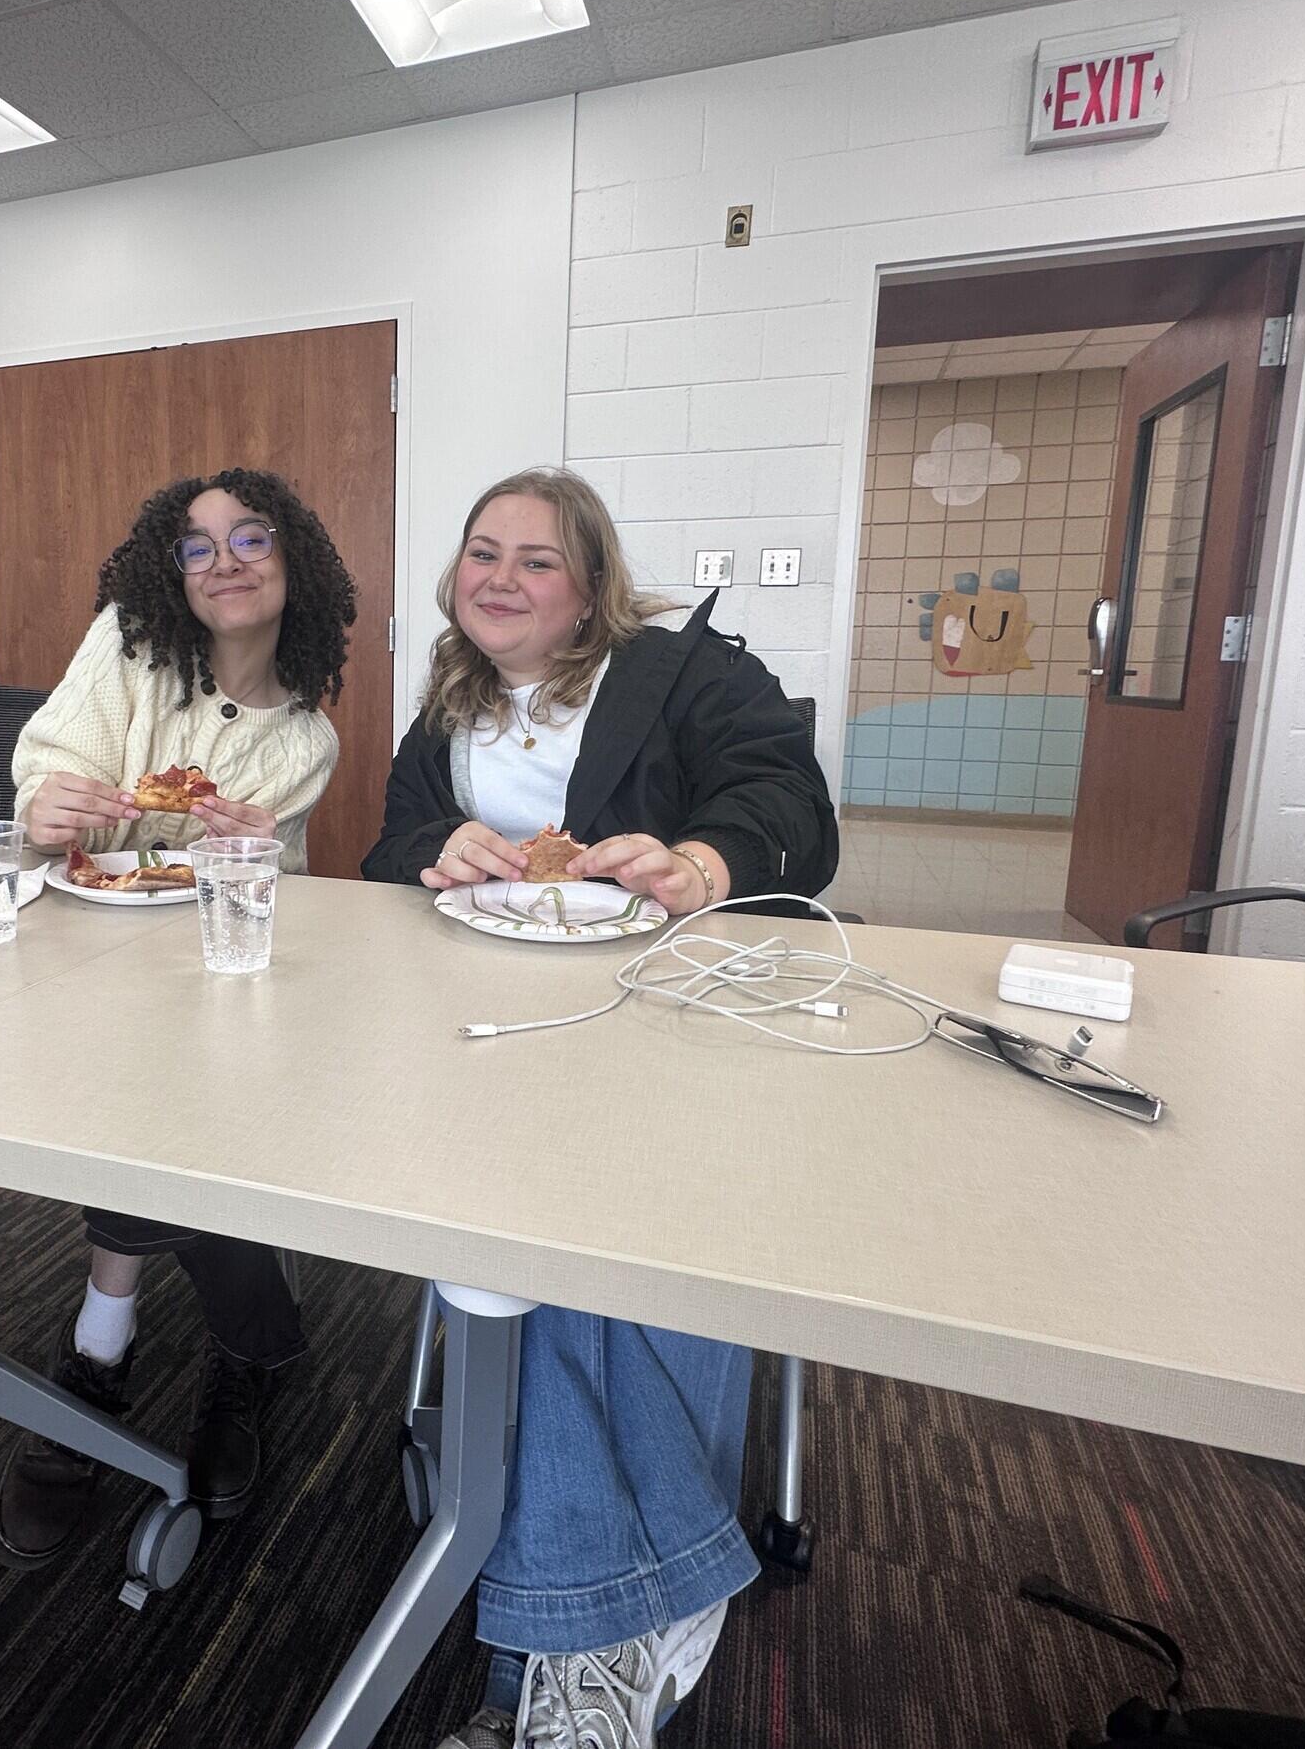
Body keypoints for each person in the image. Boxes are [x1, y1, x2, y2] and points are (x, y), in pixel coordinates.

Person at [362, 467, 836, 1749]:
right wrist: (430, 849)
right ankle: (642, 1611)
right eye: (480, 553)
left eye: (536, 561)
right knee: (538, 1240)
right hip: (488, 1040)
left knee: (578, 1252)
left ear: (591, 591)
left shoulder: (685, 674)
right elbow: (387, 844)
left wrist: (700, 862)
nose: (498, 579)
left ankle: (551, 1667)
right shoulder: (446, 707)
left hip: (662, 1030)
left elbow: (792, 807)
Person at [0, 467, 356, 1567]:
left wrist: (249, 845)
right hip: (79, 957)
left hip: (213, 984)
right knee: (144, 1087)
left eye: (250, 538)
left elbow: (257, 896)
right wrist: (44, 804)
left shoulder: (306, 743)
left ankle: (102, 1346)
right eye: (196, 547)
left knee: (178, 1089)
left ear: (293, 564)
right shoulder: (125, 644)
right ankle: (253, 1342)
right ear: (172, 573)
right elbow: (52, 777)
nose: (225, 561)